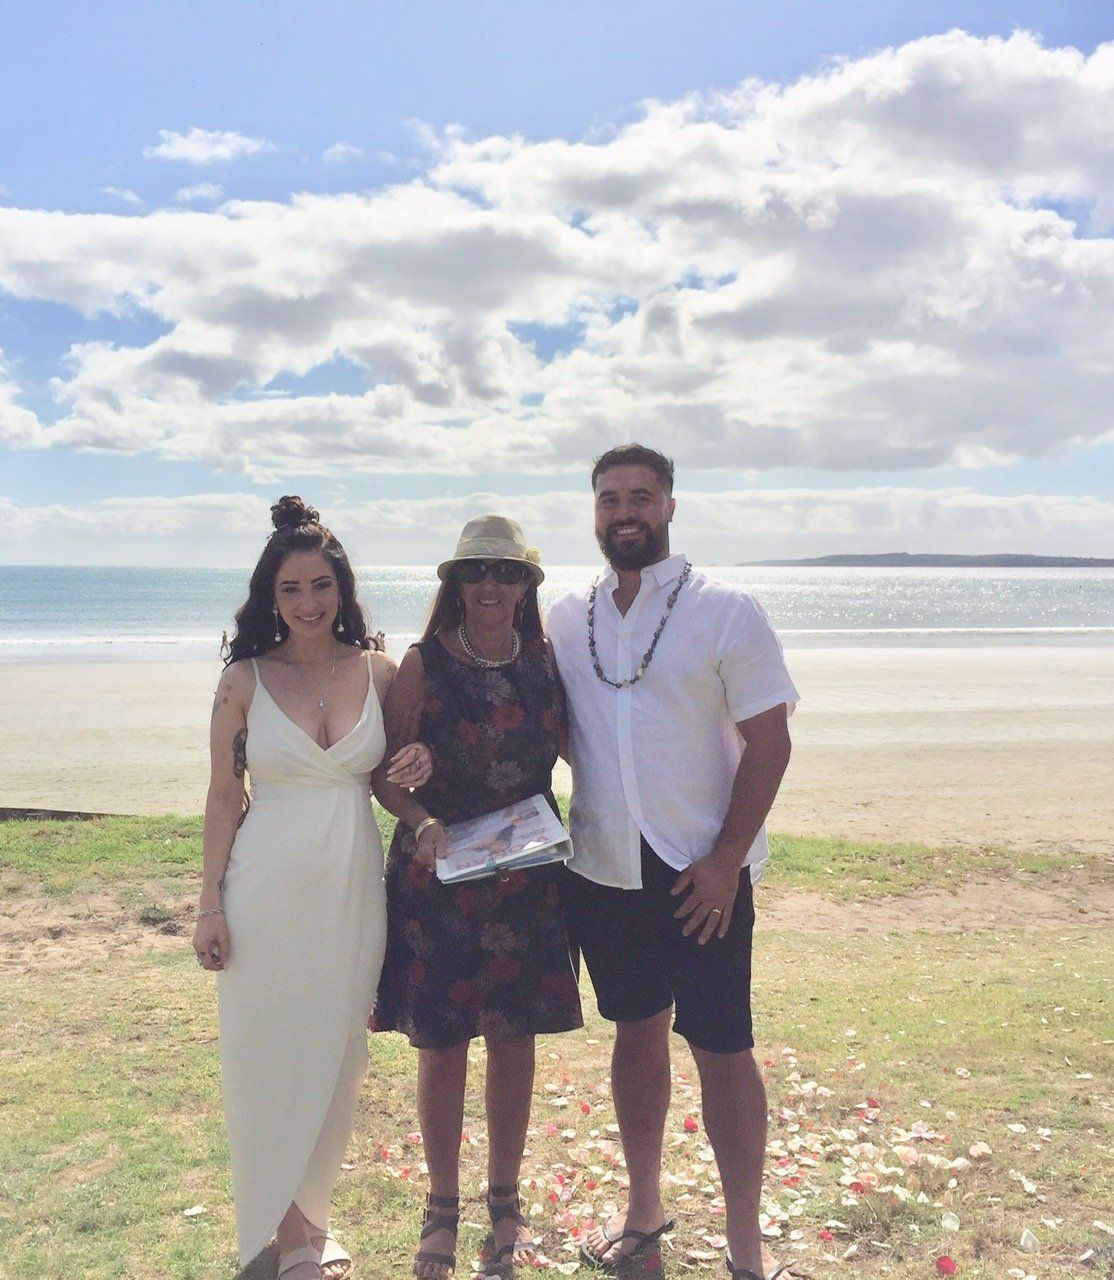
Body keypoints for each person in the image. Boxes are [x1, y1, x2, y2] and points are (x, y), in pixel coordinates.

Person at [547, 446, 800, 1280]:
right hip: (603, 868)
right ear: (593, 511)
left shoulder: (727, 610)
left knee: (724, 1048)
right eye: (610, 498)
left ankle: (745, 1241)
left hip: (701, 874)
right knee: (635, 1034)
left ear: (670, 507)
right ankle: (644, 1208)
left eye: (642, 497)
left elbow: (771, 741)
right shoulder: (562, 616)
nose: (626, 512)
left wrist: (728, 859)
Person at [192, 496, 432, 1280]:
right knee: (267, 1052)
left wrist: (418, 779)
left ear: (343, 588)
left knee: (337, 1054)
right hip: (265, 887)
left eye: (319, 585)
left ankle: (310, 1215)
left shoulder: (382, 671)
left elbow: (395, 783)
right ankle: (289, 1232)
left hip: (354, 886)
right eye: (290, 589)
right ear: (270, 597)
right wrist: (209, 903)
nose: (306, 603)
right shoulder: (245, 679)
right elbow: (226, 797)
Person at [372, 514, 583, 1280]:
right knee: (443, 1043)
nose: (490, 585)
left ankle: (505, 1203)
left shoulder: (548, 661)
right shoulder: (424, 664)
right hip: (440, 876)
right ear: (454, 584)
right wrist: (421, 810)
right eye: (474, 572)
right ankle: (441, 1206)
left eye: (505, 572)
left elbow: (583, 753)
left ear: (527, 584)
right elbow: (384, 776)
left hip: (526, 879)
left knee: (514, 1038)